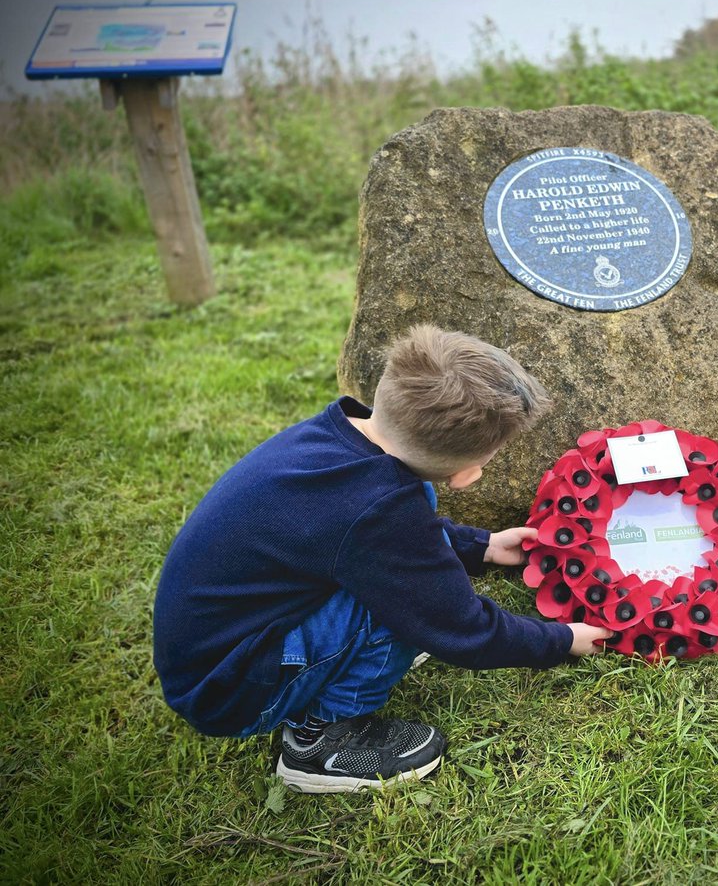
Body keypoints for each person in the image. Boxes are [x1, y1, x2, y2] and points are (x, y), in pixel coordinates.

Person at [153, 324, 611, 793]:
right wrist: (561, 638)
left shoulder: (343, 439)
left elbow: (383, 535)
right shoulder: (380, 510)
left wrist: (483, 546)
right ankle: (323, 741)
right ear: (468, 472)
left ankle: (328, 671)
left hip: (210, 650)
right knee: (400, 611)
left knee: (410, 527)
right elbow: (462, 629)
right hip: (228, 688)